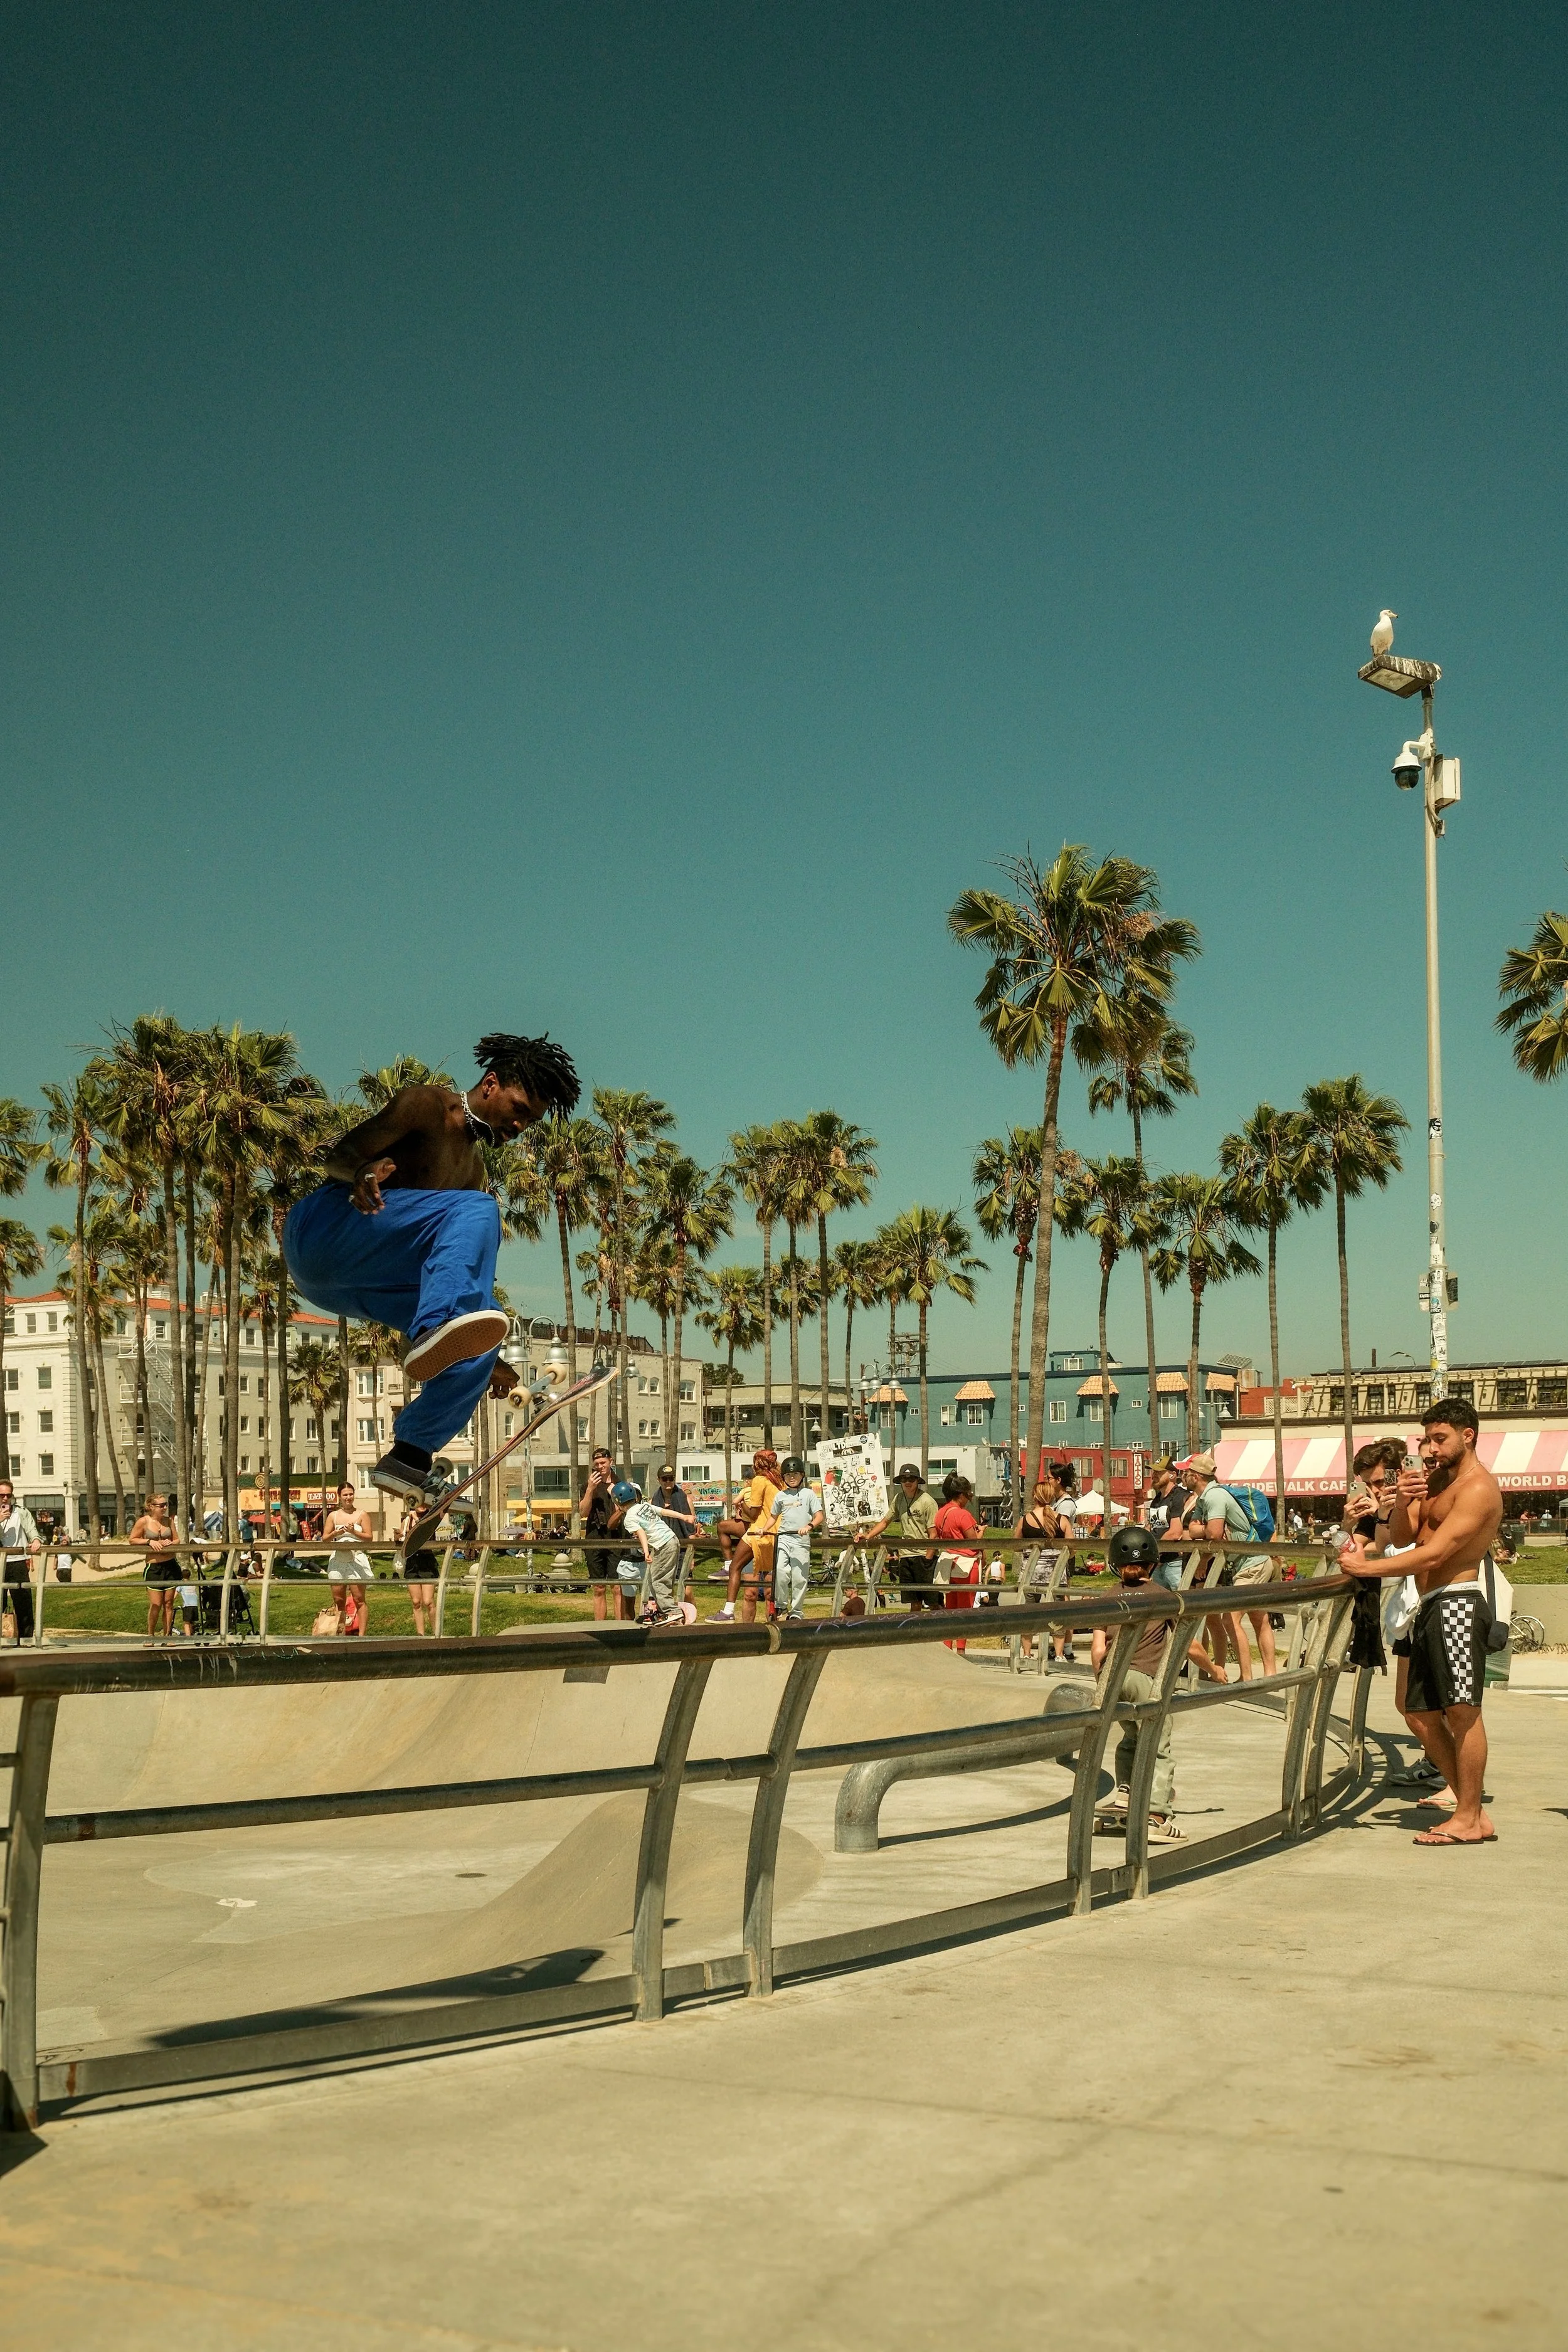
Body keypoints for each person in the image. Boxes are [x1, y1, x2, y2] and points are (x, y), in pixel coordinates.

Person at [283, 1032, 580, 1506]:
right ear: (491, 1084)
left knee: (483, 1334)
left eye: (531, 1121)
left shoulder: (471, 1170)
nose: (520, 1125)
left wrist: (487, 1360)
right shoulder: (425, 1106)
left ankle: (409, 1457)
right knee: (480, 1212)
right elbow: (339, 1157)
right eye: (519, 1108)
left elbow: (455, 1277)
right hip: (324, 1233)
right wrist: (361, 1173)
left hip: (350, 1282)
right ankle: (437, 1328)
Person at [1340, 1396, 1505, 1845]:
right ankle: (1467, 1807)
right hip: (1428, 1605)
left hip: (1457, 1601)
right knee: (1419, 1712)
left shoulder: (1477, 1488)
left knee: (1463, 1713)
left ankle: (1470, 1815)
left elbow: (1436, 1553)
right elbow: (1405, 1537)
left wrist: (1365, 1569)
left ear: (1467, 1435)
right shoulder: (1436, 1482)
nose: (1431, 1448)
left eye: (1440, 1438)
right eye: (1426, 1439)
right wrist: (1402, 1502)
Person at [1090, 1523, 1227, 1841]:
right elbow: (1189, 1645)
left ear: (1115, 1564)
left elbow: (1098, 1652)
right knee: (1159, 1745)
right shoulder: (1163, 1596)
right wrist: (1213, 1669)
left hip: (1111, 1680)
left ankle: (1125, 1797)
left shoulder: (1107, 1597)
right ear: (1153, 1563)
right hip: (1145, 1679)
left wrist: (1103, 1685)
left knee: (1130, 1738)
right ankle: (1155, 1816)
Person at [1177, 1451, 1267, 1680]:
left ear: (1196, 1476)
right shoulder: (1204, 1498)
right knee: (1259, 1619)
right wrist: (1201, 1531)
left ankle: (1246, 1677)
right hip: (1244, 1564)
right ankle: (1269, 1676)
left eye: (1186, 1472)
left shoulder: (1215, 1497)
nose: (1182, 1475)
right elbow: (1193, 1531)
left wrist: (1201, 1533)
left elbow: (1213, 1534)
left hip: (1252, 1563)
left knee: (1229, 1619)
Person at [852, 1464, 940, 1611]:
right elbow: (886, 1521)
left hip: (923, 1556)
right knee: (914, 1601)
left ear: (918, 1481)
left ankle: (943, 1631)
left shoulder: (927, 1501)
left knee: (933, 1602)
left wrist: (928, 1559)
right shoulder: (899, 1498)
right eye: (904, 1479)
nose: (908, 1482)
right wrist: (867, 1536)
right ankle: (913, 1631)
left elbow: (934, 1534)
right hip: (906, 1556)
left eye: (911, 1478)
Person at [716, 1450, 782, 1622]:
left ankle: (729, 1610)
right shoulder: (779, 1481)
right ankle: (774, 1627)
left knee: (735, 1568)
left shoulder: (760, 1480)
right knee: (770, 1592)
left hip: (757, 1532)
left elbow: (753, 1514)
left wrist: (742, 1503)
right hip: (776, 1535)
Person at [757, 1456, 824, 1621]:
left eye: (795, 1475)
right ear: (783, 1478)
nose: (792, 1478)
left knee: (799, 1578)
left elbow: (819, 1516)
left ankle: (797, 1612)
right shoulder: (781, 1496)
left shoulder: (809, 1494)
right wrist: (764, 1529)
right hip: (784, 1538)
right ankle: (781, 1603)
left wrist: (809, 1526)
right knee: (780, 1571)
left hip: (801, 1541)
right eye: (788, 1476)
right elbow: (773, 1517)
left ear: (802, 1476)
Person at [1015, 1473, 1071, 1663]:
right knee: (1058, 1615)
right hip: (1056, 1575)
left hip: (1030, 1575)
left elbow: (1016, 1545)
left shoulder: (1026, 1520)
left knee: (1028, 1615)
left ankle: (1027, 1653)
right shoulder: (1062, 1519)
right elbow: (1073, 1548)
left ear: (1034, 1497)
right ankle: (1060, 1654)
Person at [618, 1481, 692, 1622]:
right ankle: (662, 1610)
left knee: (657, 1580)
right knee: (659, 1579)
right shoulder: (644, 1506)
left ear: (618, 1503)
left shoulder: (629, 1519)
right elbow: (664, 1512)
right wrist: (684, 1517)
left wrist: (646, 1552)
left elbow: (641, 1533)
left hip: (664, 1545)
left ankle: (672, 1611)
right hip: (673, 1540)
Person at [934, 1471, 983, 1650]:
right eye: (968, 1495)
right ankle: (961, 1648)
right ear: (961, 1495)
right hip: (966, 1565)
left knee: (951, 1608)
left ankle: (948, 1645)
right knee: (965, 1610)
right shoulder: (962, 1515)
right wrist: (982, 1532)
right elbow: (973, 1541)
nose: (969, 1499)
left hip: (949, 1564)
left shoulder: (941, 1513)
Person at [580, 1449, 629, 1621]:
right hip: (594, 1538)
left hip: (616, 1538)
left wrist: (614, 1493)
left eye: (603, 1463)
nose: (600, 1467)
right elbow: (583, 1513)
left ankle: (620, 1626)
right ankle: (599, 1626)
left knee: (618, 1586)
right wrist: (590, 1490)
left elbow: (625, 1511)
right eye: (597, 1464)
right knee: (599, 1587)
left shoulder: (620, 1484)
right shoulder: (589, 1484)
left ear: (611, 1461)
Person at [130, 1490, 181, 1641]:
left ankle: (167, 1637)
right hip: (154, 1567)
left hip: (170, 1565)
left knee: (169, 1603)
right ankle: (151, 1635)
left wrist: (170, 1542)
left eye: (166, 1505)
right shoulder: (143, 1522)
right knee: (156, 1604)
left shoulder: (169, 1522)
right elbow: (132, 1540)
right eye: (162, 1505)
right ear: (152, 1507)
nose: (165, 1508)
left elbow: (178, 1540)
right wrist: (149, 1541)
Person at [322, 1483, 373, 1634]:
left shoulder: (362, 1514)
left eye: (351, 1494)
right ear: (340, 1496)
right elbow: (325, 1538)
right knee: (339, 1600)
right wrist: (335, 1534)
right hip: (338, 1560)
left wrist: (354, 1532)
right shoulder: (333, 1516)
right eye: (345, 1495)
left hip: (356, 1559)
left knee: (359, 1599)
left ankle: (362, 1636)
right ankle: (340, 1632)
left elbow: (369, 1538)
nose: (348, 1497)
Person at [0, 1478, 42, 1644]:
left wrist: (36, 1539)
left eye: (8, 1495)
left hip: (17, 1562)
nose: (4, 1499)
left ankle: (26, 1640)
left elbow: (32, 1529)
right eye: (1, 1495)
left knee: (23, 1604)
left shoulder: (21, 1512)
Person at [652, 1464, 697, 1609]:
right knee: (666, 1588)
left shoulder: (686, 1499)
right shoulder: (654, 1502)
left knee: (687, 1590)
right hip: (663, 1549)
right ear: (659, 1480)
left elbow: (691, 1530)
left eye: (671, 1479)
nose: (668, 1482)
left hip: (683, 1550)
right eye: (664, 1479)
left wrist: (692, 1556)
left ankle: (691, 1618)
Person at [1143, 1457, 1187, 1592]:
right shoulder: (1156, 1501)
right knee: (1161, 1607)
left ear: (1172, 1475)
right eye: (1153, 1471)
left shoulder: (1180, 1496)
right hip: (1157, 1564)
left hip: (1175, 1562)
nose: (1154, 1475)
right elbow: (1149, 1528)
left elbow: (1176, 1532)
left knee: (1182, 1602)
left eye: (1159, 1472)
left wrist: (1154, 1553)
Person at [398, 1503, 442, 1636]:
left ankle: (436, 1633)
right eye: (418, 1503)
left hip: (427, 1561)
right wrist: (398, 1536)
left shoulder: (431, 1518)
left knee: (428, 1601)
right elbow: (401, 1539)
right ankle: (420, 1635)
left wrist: (417, 1520)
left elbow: (425, 1534)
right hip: (412, 1562)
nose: (421, 1506)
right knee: (416, 1602)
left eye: (424, 1503)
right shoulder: (407, 1520)